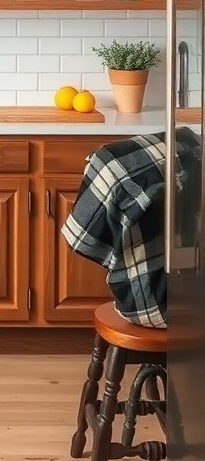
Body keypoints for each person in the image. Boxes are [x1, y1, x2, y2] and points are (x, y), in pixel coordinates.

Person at [61, 128, 200, 328]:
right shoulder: (193, 148)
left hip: (151, 307)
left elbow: (82, 240)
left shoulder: (112, 166)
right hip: (189, 295)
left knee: (111, 171)